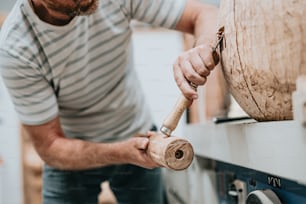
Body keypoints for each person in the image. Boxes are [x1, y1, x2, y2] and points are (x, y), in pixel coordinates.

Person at [0, 0, 219, 203]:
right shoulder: (16, 47)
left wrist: (203, 48)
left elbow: (204, 14)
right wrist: (121, 151)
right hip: (70, 156)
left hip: (137, 134)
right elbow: (50, 146)